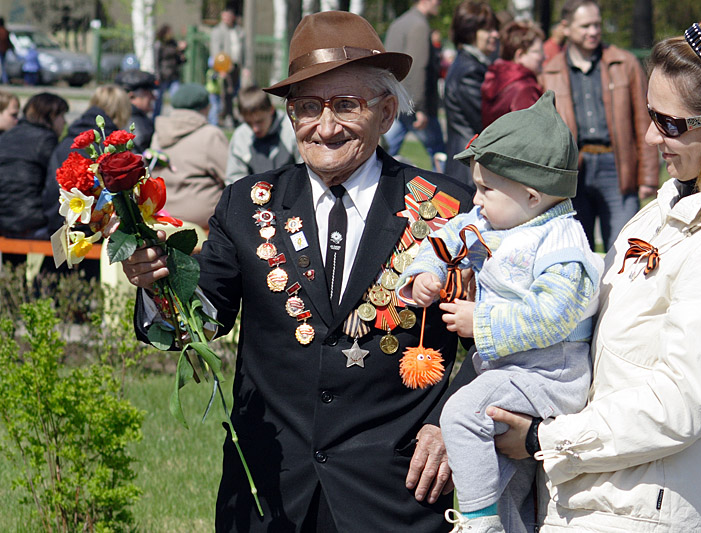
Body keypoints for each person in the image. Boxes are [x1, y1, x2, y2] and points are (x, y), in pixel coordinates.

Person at [121, 11, 475, 531]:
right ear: (289, 116)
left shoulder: (447, 208)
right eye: (308, 107)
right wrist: (160, 283)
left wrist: (452, 421)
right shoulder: (246, 204)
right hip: (271, 494)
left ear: (387, 111)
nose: (325, 127)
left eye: (346, 105)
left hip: (395, 492)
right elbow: (202, 319)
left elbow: (504, 339)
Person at [490, 18, 701, 532]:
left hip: (647, 511)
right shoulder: (669, 207)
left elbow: (680, 404)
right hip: (597, 496)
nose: (653, 135)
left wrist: (542, 438)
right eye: (650, 114)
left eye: (671, 123)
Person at [399, 92, 603, 533]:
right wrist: (425, 273)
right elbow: (447, 235)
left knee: (460, 413)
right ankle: (501, 523)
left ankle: (475, 521)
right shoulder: (493, 219)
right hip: (513, 374)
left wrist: (481, 323)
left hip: (549, 374)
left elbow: (554, 315)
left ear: (532, 194)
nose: (476, 198)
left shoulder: (562, 243)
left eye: (485, 188)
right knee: (506, 477)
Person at [541, 0, 658, 251]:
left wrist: (648, 176)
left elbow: (643, 121)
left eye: (597, 25)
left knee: (625, 247)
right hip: (574, 171)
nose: (593, 31)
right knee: (577, 249)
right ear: (566, 27)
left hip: (617, 167)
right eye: (585, 26)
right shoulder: (549, 71)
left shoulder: (624, 63)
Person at [44, 85, 130, 235]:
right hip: (94, 229)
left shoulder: (68, 140)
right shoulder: (111, 146)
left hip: (59, 221)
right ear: (122, 111)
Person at [150, 83, 228, 230]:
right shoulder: (210, 135)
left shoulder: (160, 133)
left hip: (161, 219)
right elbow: (231, 178)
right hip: (202, 226)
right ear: (206, 108)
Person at [383, 0, 447, 170]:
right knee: (440, 156)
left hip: (398, 99)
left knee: (383, 151)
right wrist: (419, 107)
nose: (439, 3)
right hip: (414, 103)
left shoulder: (399, 23)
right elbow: (418, 68)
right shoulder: (419, 25)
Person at [444, 1, 499, 187]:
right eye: (488, 30)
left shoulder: (471, 64)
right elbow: (487, 121)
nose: (495, 35)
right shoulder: (469, 70)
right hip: (468, 166)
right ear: (470, 32)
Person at [0, 92, 68, 243]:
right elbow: (55, 185)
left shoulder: (6, 135)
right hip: (30, 221)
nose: (64, 122)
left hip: (3, 218)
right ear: (51, 116)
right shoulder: (47, 140)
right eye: (62, 116)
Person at [225, 85, 299, 184]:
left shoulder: (291, 130)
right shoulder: (241, 136)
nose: (255, 129)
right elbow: (234, 178)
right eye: (249, 123)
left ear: (271, 110)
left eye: (260, 122)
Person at [481, 20, 545, 128]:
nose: (544, 57)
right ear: (519, 55)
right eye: (538, 51)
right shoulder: (524, 88)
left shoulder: (497, 78)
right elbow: (531, 134)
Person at [209, 4, 245, 128]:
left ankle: (232, 117)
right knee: (224, 94)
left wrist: (245, 67)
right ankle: (222, 118)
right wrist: (221, 69)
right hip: (224, 67)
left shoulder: (238, 30)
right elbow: (215, 51)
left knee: (236, 93)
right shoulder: (218, 31)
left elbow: (242, 49)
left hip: (235, 66)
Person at [116, 69, 157, 153]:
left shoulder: (114, 116)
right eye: (149, 93)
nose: (153, 97)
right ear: (131, 96)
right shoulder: (140, 129)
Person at [153, 24, 186, 118]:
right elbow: (156, 62)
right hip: (163, 76)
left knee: (176, 99)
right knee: (158, 100)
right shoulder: (159, 45)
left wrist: (182, 51)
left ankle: (175, 117)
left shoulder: (174, 43)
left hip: (174, 76)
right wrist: (157, 77)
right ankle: (155, 118)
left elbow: (180, 60)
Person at [0, 18, 12, 84]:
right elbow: (8, 42)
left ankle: (4, 79)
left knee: (2, 66)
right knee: (3, 66)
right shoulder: (5, 31)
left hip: (2, 50)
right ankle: (4, 79)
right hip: (4, 50)